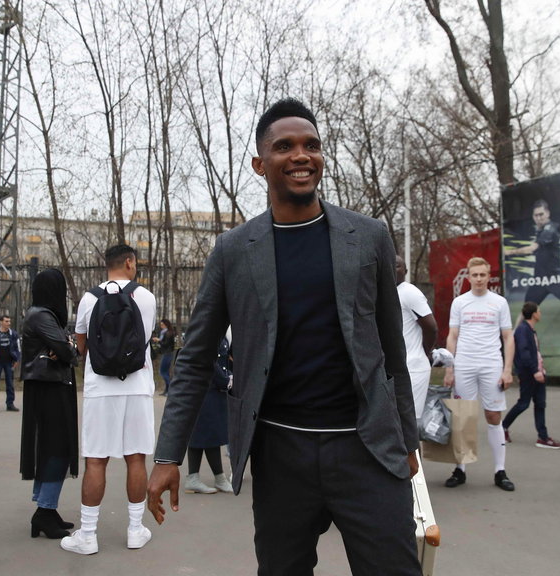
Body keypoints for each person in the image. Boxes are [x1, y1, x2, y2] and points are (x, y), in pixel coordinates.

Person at [147, 98, 422, 576]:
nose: (301, 155)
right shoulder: (234, 251)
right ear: (260, 163)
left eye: (311, 145)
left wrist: (407, 438)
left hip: (369, 448)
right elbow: (193, 360)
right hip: (280, 455)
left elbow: (391, 350)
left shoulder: (369, 237)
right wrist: (168, 455)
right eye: (285, 146)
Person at [60, 244, 156, 555]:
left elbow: (82, 343)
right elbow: (144, 338)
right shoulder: (145, 297)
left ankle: (88, 534)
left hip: (101, 388)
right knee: (136, 457)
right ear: (130, 263)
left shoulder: (89, 298)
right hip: (137, 385)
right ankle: (135, 529)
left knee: (96, 459)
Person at [443, 257, 516, 491]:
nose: (478, 279)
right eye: (474, 275)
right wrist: (449, 368)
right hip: (464, 364)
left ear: (488, 275)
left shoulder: (499, 302)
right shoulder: (460, 302)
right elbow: (452, 336)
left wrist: (507, 370)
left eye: (482, 275)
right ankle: (460, 469)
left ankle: (500, 471)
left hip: (491, 365)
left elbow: (508, 337)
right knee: (463, 417)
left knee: (493, 416)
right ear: (468, 277)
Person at [20, 269, 79, 540]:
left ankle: (47, 508)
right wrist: (65, 349)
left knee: (54, 448)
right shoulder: (41, 316)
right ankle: (44, 511)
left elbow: (71, 351)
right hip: (48, 389)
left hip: (52, 387)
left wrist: (66, 350)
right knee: (56, 449)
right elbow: (68, 350)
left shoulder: (46, 316)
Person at [502, 302, 560, 449]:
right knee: (523, 403)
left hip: (538, 372)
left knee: (540, 404)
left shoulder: (530, 329)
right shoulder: (523, 330)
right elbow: (524, 352)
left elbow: (533, 352)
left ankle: (543, 436)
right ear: (534, 314)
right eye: (539, 311)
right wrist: (534, 371)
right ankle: (502, 427)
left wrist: (539, 369)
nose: (540, 313)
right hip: (529, 373)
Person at [183, 333, 234, 495]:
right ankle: (218, 478)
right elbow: (209, 360)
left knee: (201, 434)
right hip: (206, 388)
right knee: (208, 434)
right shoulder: (210, 329)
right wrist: (225, 380)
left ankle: (194, 477)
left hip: (209, 389)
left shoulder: (218, 329)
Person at [505, 199, 560, 311]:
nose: (538, 218)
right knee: (527, 310)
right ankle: (516, 329)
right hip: (540, 279)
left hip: (555, 278)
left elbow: (531, 249)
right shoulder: (547, 228)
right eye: (536, 215)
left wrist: (510, 252)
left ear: (547, 213)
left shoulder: (548, 230)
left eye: (541, 214)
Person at [395, 255, 438, 418]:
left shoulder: (410, 292)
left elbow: (431, 328)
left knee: (408, 422)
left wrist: (424, 352)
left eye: (397, 266)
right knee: (395, 424)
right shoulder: (387, 293)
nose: (393, 268)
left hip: (413, 368)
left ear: (405, 271)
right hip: (396, 369)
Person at [0, 315, 20, 412]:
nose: (8, 323)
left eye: (9, 321)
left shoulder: (13, 334)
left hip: (9, 362)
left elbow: (18, 348)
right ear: (1, 322)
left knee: (10, 383)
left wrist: (17, 359)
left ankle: (10, 404)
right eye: (6, 321)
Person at [155, 319, 176, 395]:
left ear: (166, 324)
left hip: (167, 354)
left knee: (162, 372)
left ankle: (170, 390)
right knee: (165, 372)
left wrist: (158, 341)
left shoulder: (168, 333)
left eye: (162, 325)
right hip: (167, 353)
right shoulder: (165, 333)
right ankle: (166, 391)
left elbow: (165, 344)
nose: (161, 326)